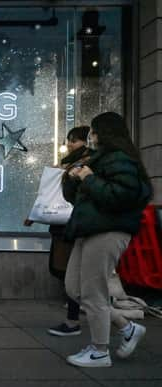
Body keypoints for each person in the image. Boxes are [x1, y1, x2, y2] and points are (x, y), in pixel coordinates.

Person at [63, 112, 152, 368]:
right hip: (89, 229)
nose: (91, 136)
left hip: (108, 230)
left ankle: (99, 351)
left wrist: (89, 178)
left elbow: (119, 196)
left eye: (93, 131)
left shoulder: (120, 159)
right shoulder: (99, 159)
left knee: (93, 291)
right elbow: (78, 197)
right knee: (74, 288)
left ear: (104, 133)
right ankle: (127, 328)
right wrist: (72, 179)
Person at [44, 126, 93, 337]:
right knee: (62, 269)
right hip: (64, 223)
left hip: (71, 224)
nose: (69, 144)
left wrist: (66, 174)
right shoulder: (71, 163)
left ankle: (74, 319)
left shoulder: (86, 163)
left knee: (68, 273)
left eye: (74, 140)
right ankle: (78, 313)